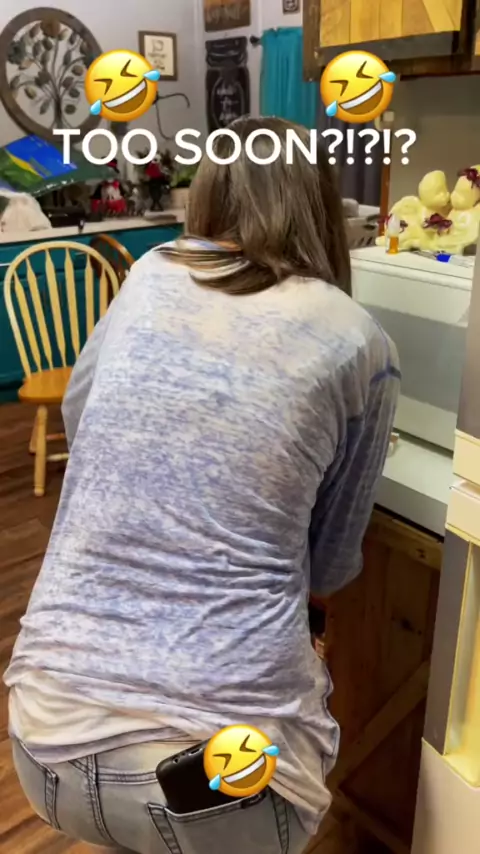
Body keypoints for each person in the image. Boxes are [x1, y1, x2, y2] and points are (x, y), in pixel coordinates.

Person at [5, 116, 400, 854]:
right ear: (319, 203)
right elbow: (331, 568)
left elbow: (82, 417)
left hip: (42, 737)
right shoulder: (359, 341)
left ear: (209, 193)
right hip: (218, 780)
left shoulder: (149, 275)